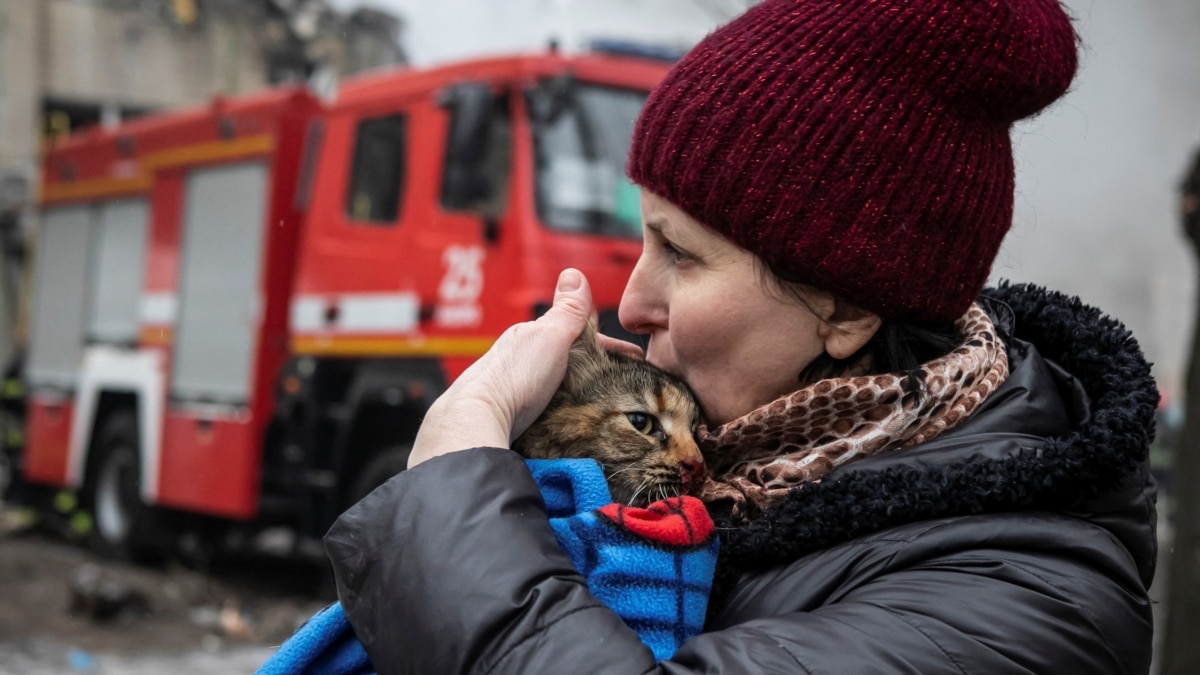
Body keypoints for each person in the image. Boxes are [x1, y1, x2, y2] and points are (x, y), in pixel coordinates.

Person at [324, 0, 1159, 672]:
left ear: (844, 312)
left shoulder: (1019, 603)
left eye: (681, 253)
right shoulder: (750, 484)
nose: (633, 299)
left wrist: (451, 489)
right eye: (642, 235)